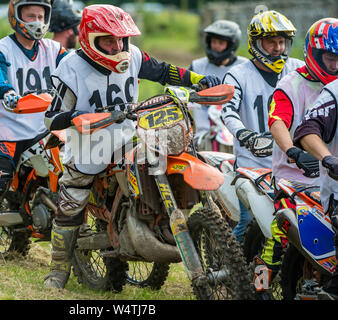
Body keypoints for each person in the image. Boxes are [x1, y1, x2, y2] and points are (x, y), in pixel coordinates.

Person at [43, 4, 221, 289]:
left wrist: (198, 80)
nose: (117, 46)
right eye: (108, 40)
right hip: (90, 147)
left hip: (130, 137)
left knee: (171, 156)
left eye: (121, 39)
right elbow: (52, 118)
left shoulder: (134, 55)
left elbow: (164, 71)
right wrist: (78, 117)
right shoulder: (71, 67)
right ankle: (58, 270)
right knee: (72, 201)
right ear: (90, 38)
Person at [0, 0, 68, 261]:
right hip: (9, 130)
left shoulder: (55, 49)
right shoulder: (0, 49)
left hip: (46, 126)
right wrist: (7, 91)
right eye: (30, 15)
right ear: (16, 16)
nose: (36, 21)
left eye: (41, 16)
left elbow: (75, 69)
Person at [253, 18, 338, 294]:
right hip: (295, 176)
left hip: (331, 177)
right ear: (313, 53)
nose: (335, 64)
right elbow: (277, 120)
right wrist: (292, 151)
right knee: (279, 237)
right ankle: (258, 287)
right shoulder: (292, 84)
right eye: (329, 57)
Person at [221, 10, 304, 244]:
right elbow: (228, 110)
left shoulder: (298, 69)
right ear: (256, 43)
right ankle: (231, 270)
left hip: (292, 161)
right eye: (271, 41)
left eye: (282, 41)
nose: (278, 48)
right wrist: (245, 135)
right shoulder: (238, 74)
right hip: (252, 164)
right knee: (249, 223)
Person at [189, 20, 246, 151]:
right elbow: (181, 92)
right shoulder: (197, 66)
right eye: (213, 42)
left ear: (231, 45)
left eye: (221, 43)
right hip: (202, 137)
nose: (215, 46)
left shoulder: (243, 67)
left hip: (234, 137)